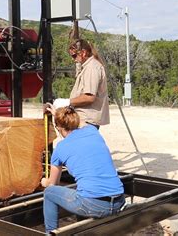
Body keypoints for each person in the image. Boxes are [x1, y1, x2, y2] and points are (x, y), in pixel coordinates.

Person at [41, 105, 124, 233]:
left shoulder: (60, 148)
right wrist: (58, 113)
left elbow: (53, 184)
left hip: (95, 206)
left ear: (58, 128)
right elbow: (81, 121)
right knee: (82, 191)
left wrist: (44, 182)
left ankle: (50, 233)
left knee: (49, 193)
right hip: (119, 201)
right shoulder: (92, 131)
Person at [47, 39, 109, 129]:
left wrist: (67, 102)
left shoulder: (92, 68)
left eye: (74, 56)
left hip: (87, 121)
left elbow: (89, 97)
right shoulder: (88, 67)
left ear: (83, 52)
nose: (73, 59)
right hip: (84, 120)